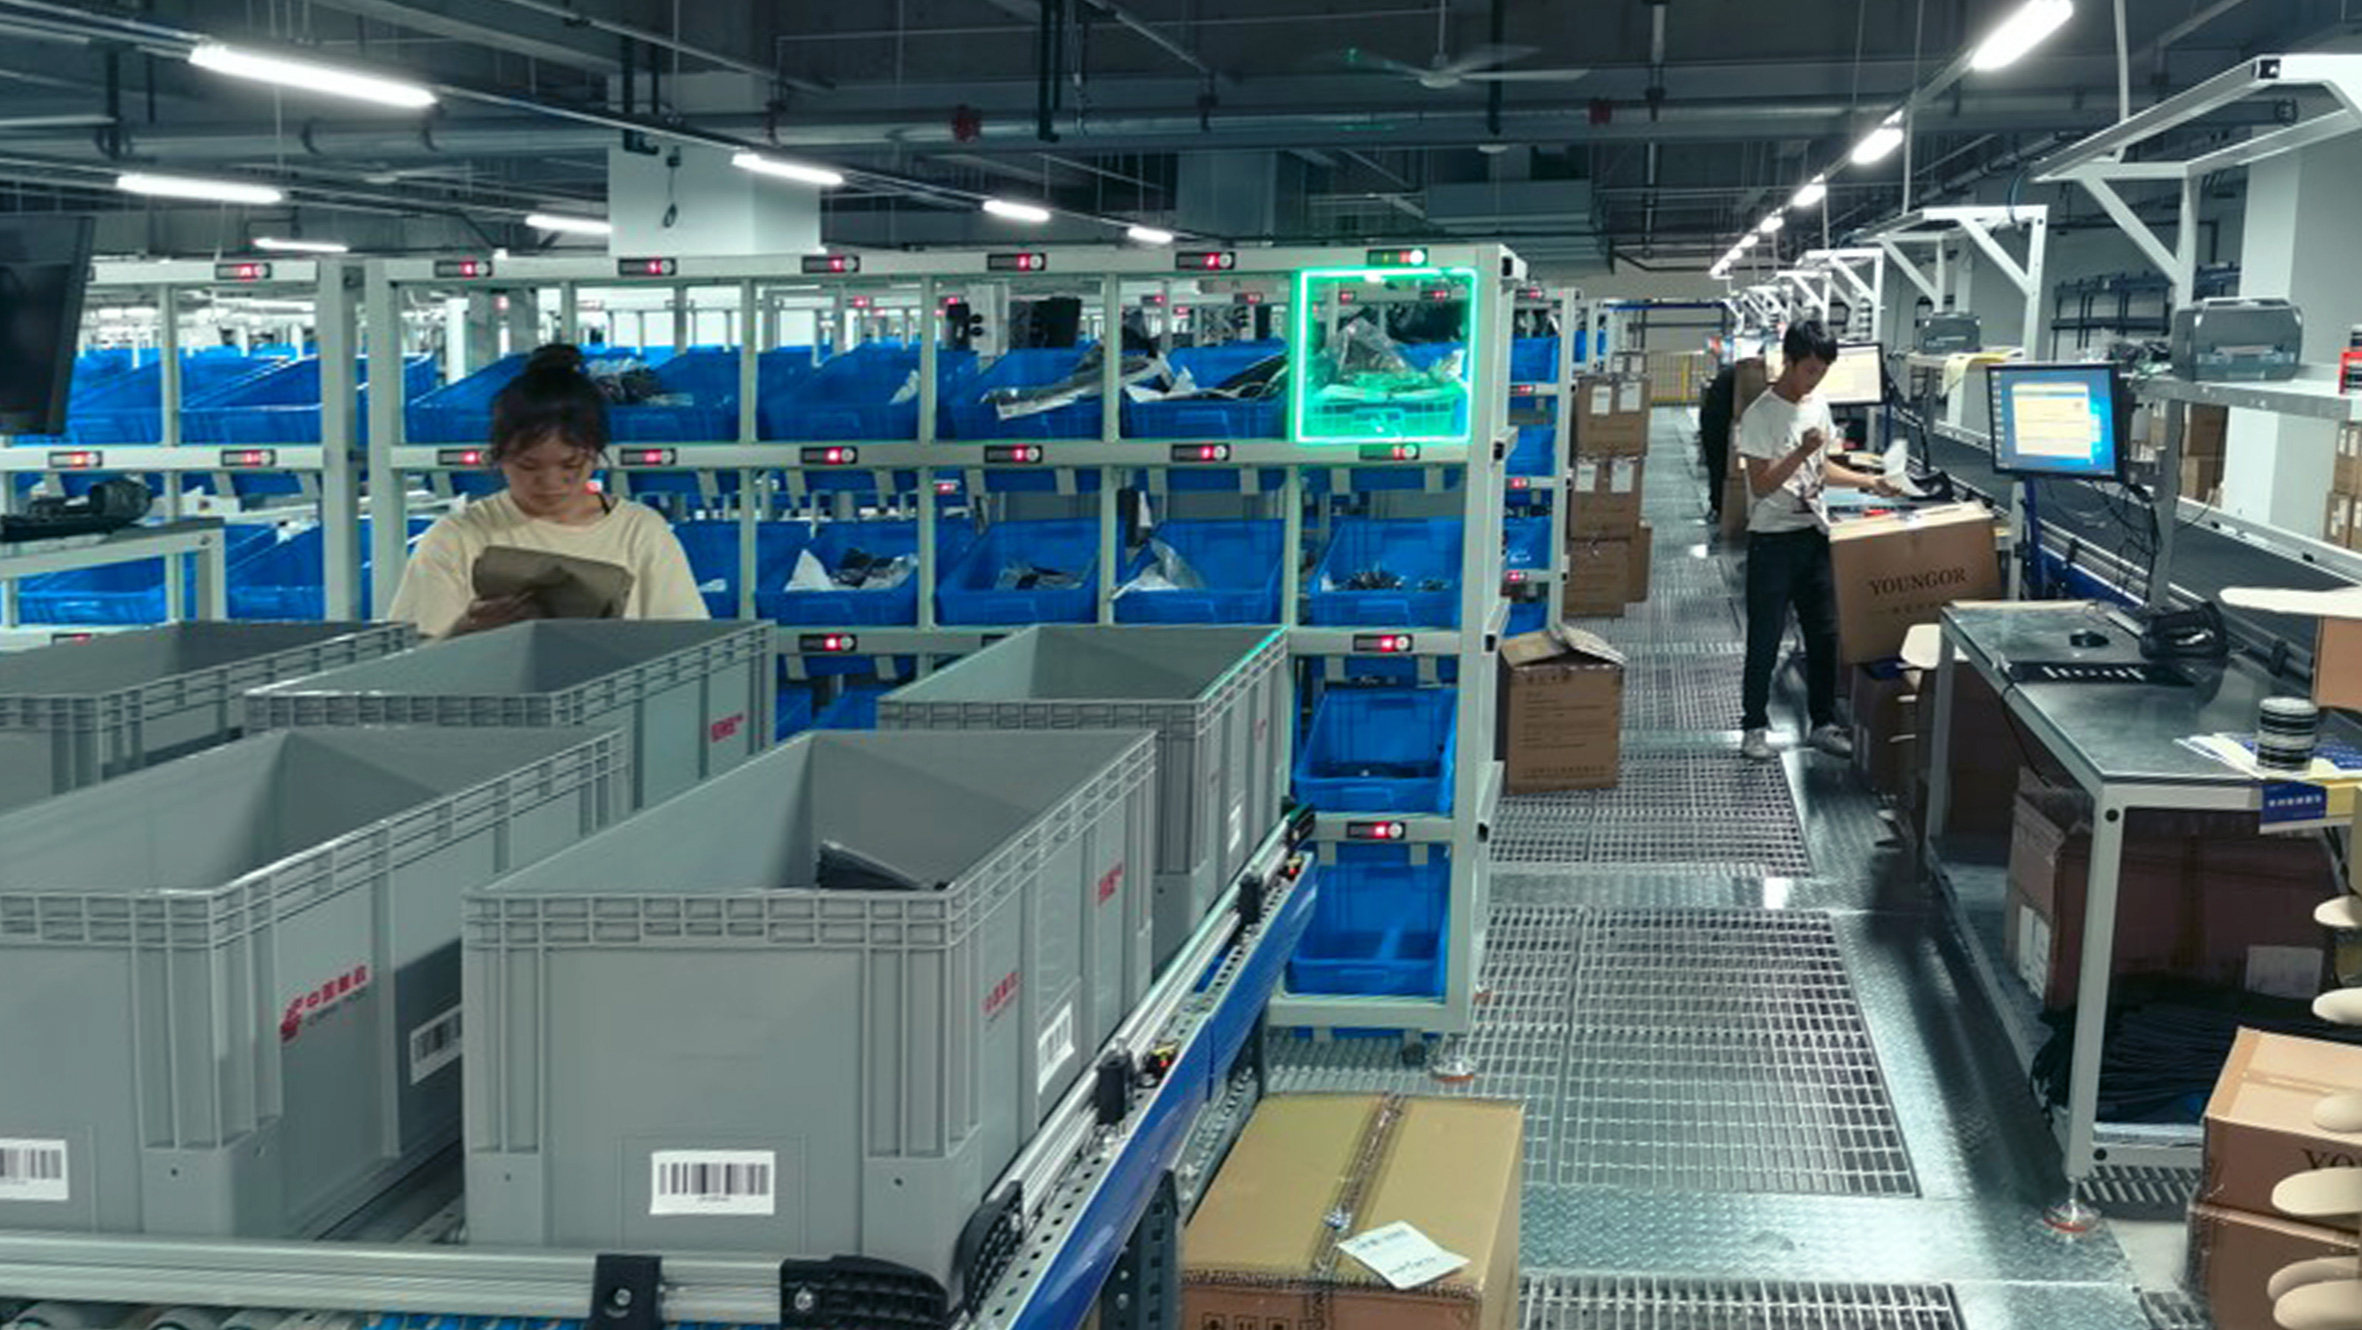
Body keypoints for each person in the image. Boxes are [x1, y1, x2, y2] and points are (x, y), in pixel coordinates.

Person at [389, 343, 708, 638]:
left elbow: (686, 646)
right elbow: (410, 663)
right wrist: (465, 632)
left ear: (596, 453)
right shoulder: (456, 539)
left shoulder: (640, 533)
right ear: (499, 457)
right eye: (528, 466)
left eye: (571, 465)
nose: (551, 482)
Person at [1736, 320, 1894, 762]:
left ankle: (1822, 723)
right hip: (1772, 542)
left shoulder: (1818, 406)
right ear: (1788, 361)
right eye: (1809, 369)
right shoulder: (1760, 415)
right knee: (1765, 639)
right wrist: (1801, 451)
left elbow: (1821, 468)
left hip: (1812, 536)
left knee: (1824, 636)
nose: (1816, 378)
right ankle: (1753, 727)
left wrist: (1870, 482)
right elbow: (1762, 484)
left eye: (1822, 371)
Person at [1698, 362, 1737, 523]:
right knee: (1719, 466)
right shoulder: (1739, 375)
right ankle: (1719, 507)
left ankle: (1717, 507)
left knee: (1716, 467)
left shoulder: (1732, 372)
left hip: (1714, 422)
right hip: (1717, 425)